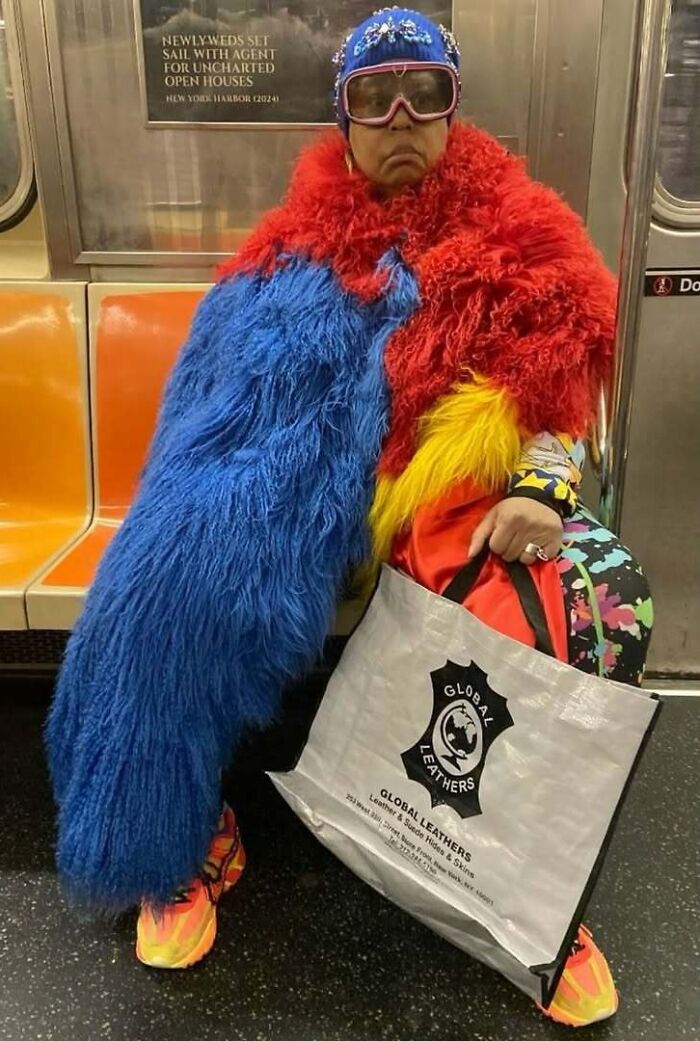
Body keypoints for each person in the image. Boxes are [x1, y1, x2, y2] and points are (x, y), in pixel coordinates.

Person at [46, 8, 653, 1029]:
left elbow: (561, 388)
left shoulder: (520, 230)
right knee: (168, 583)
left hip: (451, 492)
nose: (401, 116)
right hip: (292, 484)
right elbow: (219, 393)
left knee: (590, 609)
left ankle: (536, 901)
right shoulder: (293, 242)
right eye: (375, 97)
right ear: (345, 116)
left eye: (427, 92)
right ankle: (178, 833)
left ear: (456, 109)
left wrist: (539, 489)